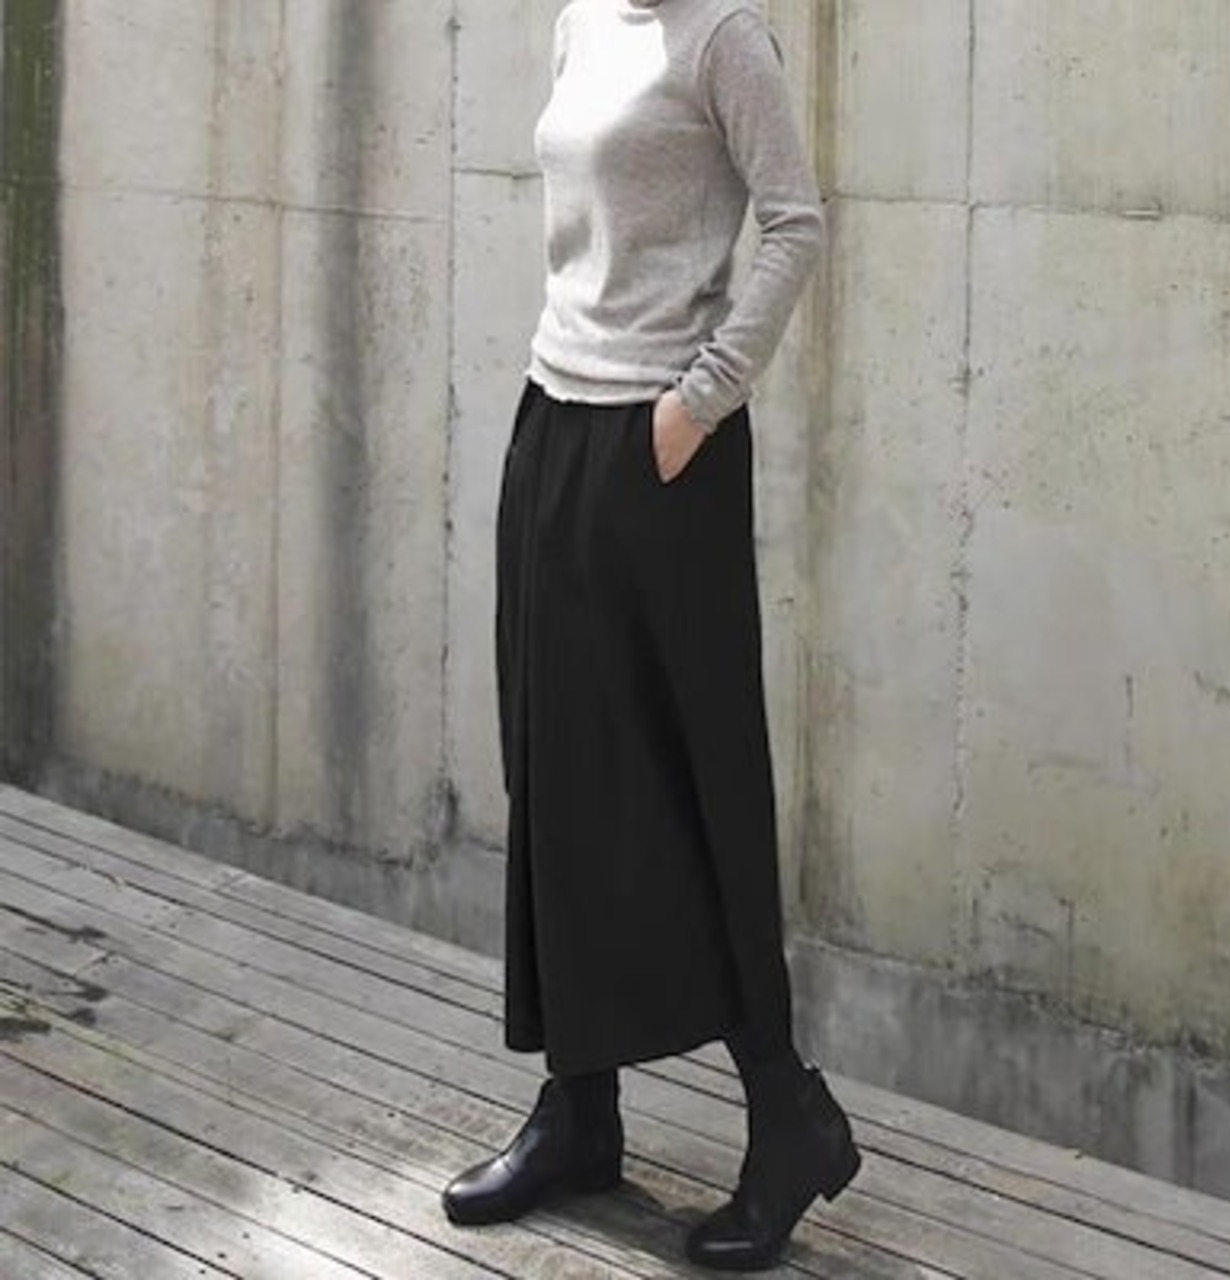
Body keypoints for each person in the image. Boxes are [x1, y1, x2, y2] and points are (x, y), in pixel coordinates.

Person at [442, 0, 860, 1268]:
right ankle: (580, 1107)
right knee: (558, 769)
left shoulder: (724, 36)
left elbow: (794, 221)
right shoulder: (582, 21)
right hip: (552, 418)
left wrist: (699, 398)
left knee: (692, 781)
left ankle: (786, 1113)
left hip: (664, 448)